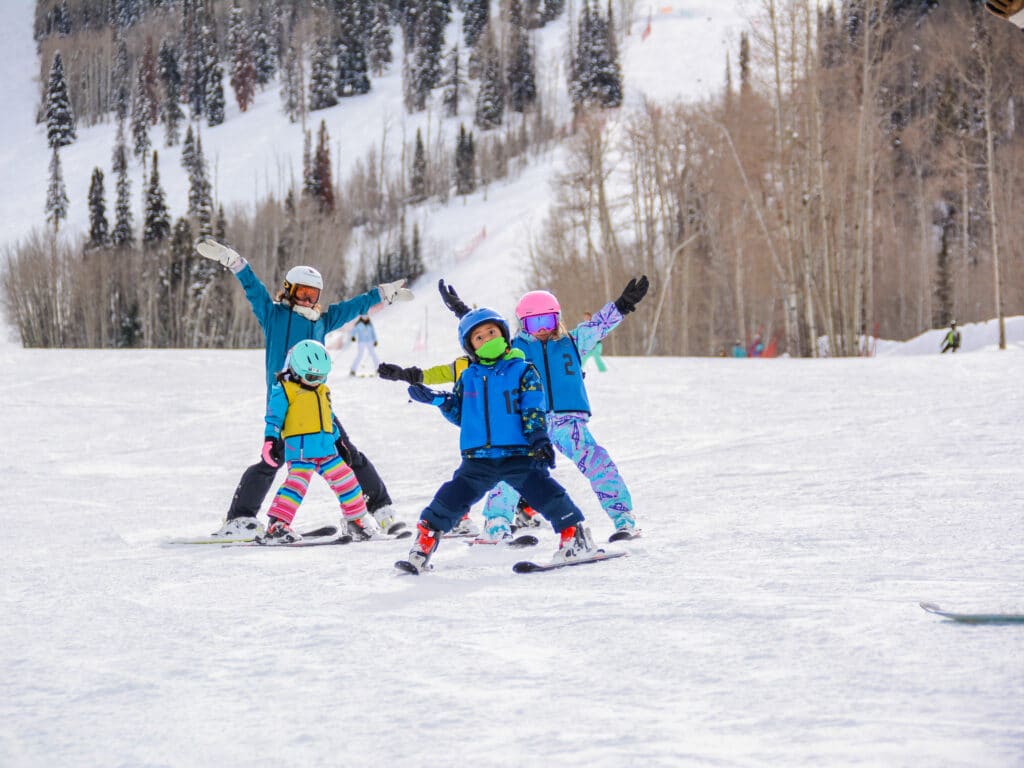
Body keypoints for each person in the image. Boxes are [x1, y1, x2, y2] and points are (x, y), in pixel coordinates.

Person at [384, 276, 648, 542]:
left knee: (598, 463)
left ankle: (623, 518)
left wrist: (623, 305)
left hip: (569, 422)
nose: (542, 329)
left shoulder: (573, 342)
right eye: (535, 323)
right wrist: (460, 314)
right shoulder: (513, 350)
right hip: (527, 423)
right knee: (509, 472)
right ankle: (497, 524)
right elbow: (483, 338)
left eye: (548, 321)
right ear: (523, 324)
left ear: (558, 319)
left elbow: (598, 326)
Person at [194, 237, 413, 540]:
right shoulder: (274, 315)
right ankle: (240, 518)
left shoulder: (322, 320)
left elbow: (353, 307)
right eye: (303, 293)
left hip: (317, 403)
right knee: (272, 459)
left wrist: (382, 295)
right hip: (285, 401)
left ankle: (381, 511)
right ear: (289, 290)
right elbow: (253, 289)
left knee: (348, 452)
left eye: (314, 294)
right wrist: (233, 261)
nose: (308, 300)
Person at [397, 307, 594, 572]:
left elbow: (533, 407)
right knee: (450, 498)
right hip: (477, 460)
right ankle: (424, 543)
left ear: (503, 334)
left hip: (518, 454)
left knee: (544, 492)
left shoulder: (524, 371)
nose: (487, 339)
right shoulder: (468, 377)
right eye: (479, 337)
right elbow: (461, 414)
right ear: (470, 346)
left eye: (492, 332)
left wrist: (538, 439)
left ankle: (574, 533)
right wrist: (436, 399)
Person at [260, 340, 376, 544]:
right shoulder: (285, 390)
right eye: (312, 376)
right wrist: (270, 440)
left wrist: (340, 443)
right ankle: (277, 525)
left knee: (347, 480)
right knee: (295, 486)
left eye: (322, 377)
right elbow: (274, 419)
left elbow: (329, 419)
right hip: (301, 451)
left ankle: (356, 521)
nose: (317, 381)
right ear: (295, 370)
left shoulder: (323, 391)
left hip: (326, 449)